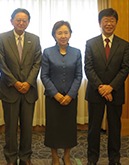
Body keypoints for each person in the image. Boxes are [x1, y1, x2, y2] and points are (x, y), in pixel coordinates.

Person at [0, 8, 42, 165]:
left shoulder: (34, 39)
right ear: (11, 21)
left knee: (27, 128)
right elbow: (1, 64)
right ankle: (10, 158)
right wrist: (15, 82)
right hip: (9, 90)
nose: (21, 23)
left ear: (28, 23)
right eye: (18, 20)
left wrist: (28, 82)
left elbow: (37, 63)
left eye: (24, 20)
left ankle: (25, 157)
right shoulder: (1, 38)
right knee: (11, 128)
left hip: (29, 91)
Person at [84, 8, 129, 165]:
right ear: (99, 23)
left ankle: (114, 159)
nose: (109, 24)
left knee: (115, 128)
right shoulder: (90, 43)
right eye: (105, 21)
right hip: (95, 93)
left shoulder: (124, 45)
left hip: (115, 93)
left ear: (116, 23)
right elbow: (88, 68)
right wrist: (102, 88)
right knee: (93, 129)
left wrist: (111, 87)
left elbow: (125, 68)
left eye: (112, 21)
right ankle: (92, 159)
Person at [41, 21, 82, 165]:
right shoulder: (47, 52)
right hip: (53, 98)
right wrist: (56, 94)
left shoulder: (76, 52)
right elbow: (44, 76)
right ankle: (55, 157)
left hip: (71, 98)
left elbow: (79, 76)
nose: (63, 36)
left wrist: (70, 95)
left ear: (70, 34)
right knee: (53, 128)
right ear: (54, 35)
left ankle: (66, 156)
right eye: (59, 33)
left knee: (69, 128)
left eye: (66, 32)